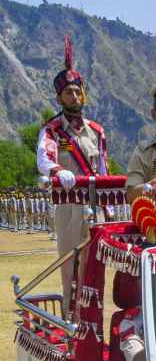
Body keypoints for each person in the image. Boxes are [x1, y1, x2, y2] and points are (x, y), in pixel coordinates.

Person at [36, 36, 110, 314]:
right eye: (69, 93)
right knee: (70, 268)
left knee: (95, 270)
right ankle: (72, 327)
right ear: (59, 97)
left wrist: (109, 206)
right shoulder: (52, 130)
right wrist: (58, 170)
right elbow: (44, 158)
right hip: (68, 207)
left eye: (78, 92)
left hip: (94, 207)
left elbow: (103, 169)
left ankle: (93, 323)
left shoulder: (97, 131)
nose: (75, 98)